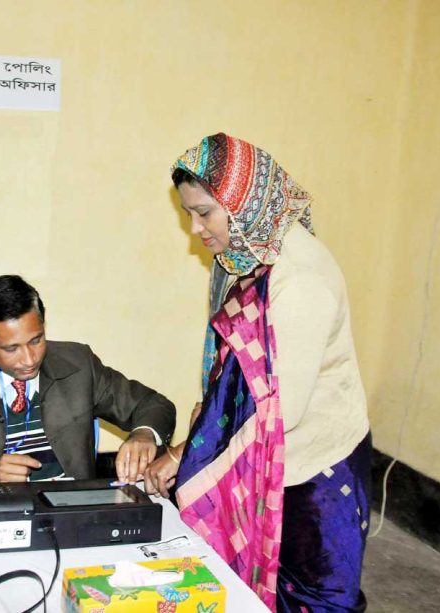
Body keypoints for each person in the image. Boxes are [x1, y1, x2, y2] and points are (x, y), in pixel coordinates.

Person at [144, 134, 372, 612]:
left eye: (204, 212)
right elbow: (238, 374)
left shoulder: (299, 281)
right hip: (267, 457)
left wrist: (185, 452)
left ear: (246, 203)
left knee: (314, 595)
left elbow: (275, 409)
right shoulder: (250, 253)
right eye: (189, 214)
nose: (195, 229)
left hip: (313, 472)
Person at [0, 274, 176, 488]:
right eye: (11, 348)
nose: (29, 359)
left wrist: (143, 433)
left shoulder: (78, 364)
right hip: (0, 512)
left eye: (36, 340)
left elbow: (154, 405)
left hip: (72, 509)